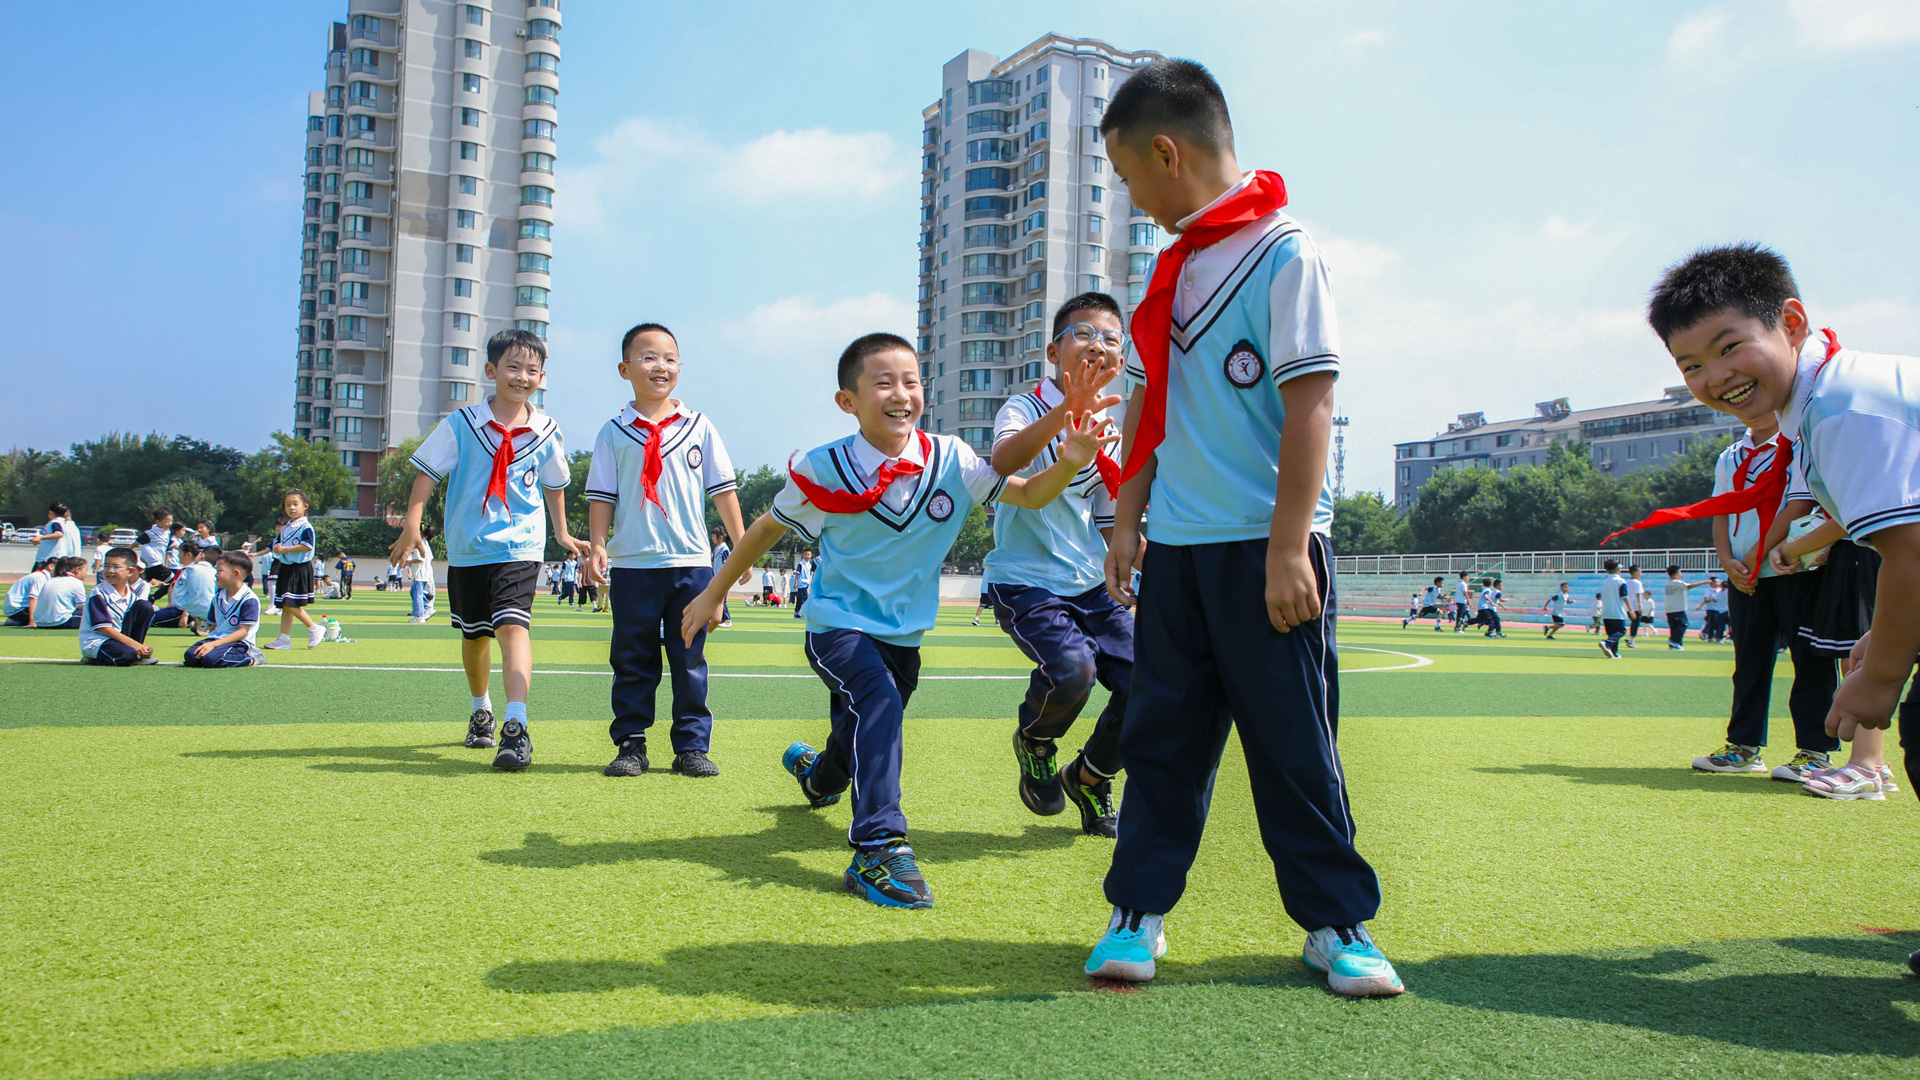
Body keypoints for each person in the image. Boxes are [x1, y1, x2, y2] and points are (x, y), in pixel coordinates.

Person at [1080, 60, 1401, 997]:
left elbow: (1312, 409)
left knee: (1294, 746)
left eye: (1130, 176)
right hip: (1176, 553)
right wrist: (1128, 522)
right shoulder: (1170, 272)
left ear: (1167, 153)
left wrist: (1288, 548)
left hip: (1270, 555)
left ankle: (1337, 925)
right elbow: (1150, 406)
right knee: (1162, 742)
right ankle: (1137, 913)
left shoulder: (1285, 252)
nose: (1133, 198)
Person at [678, 331, 1111, 909]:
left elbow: (1029, 495)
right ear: (848, 400)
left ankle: (818, 775)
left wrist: (1075, 459)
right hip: (837, 624)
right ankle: (879, 847)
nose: (901, 393)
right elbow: (766, 529)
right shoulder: (822, 466)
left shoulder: (951, 459)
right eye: (883, 382)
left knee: (861, 729)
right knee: (877, 702)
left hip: (903, 632)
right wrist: (713, 593)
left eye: (911, 381)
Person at [1647, 245, 1889, 789]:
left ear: (1792, 323)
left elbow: (1904, 546)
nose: (1717, 376)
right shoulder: (1813, 409)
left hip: (1797, 573)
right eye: (1692, 366)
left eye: (1730, 346)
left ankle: (1856, 762)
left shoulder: (1839, 406)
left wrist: (1883, 671)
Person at [388, 328, 582, 770]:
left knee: (513, 628)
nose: (523, 377)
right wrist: (412, 526)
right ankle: (482, 708)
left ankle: (517, 725)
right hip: (469, 548)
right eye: (513, 367)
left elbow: (554, 486)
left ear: (542, 377)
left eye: (532, 370)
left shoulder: (547, 430)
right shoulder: (461, 424)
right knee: (474, 635)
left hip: (521, 546)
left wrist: (563, 534)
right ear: (491, 371)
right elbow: (425, 474)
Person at [983, 291, 1133, 839]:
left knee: (1151, 682)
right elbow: (1003, 463)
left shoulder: (1111, 425)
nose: (1098, 345)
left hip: (1091, 583)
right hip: (1025, 581)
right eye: (1084, 334)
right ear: (1054, 351)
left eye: (1111, 338)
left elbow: (1112, 518)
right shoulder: (1023, 409)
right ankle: (1036, 741)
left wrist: (1138, 563)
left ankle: (1091, 775)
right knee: (1074, 670)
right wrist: (1064, 416)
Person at [584, 321, 747, 779]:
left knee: (689, 657)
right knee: (632, 658)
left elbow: (723, 491)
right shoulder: (613, 432)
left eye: (671, 358)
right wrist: (597, 546)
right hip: (634, 564)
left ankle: (692, 746)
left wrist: (741, 547)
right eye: (650, 357)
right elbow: (602, 496)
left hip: (691, 564)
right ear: (625, 368)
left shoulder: (699, 426)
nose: (662, 366)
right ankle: (631, 744)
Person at [264, 491, 326, 650]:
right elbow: (274, 546)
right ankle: (284, 639)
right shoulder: (286, 528)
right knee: (285, 604)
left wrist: (285, 549)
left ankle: (314, 627)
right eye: (288, 505)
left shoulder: (306, 527)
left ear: (305, 506)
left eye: (295, 504)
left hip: (299, 568)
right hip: (286, 567)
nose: (291, 508)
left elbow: (307, 545)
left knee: (289, 602)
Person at [183, 551, 264, 668]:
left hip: (239, 643)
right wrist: (210, 643)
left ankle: (252, 657)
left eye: (219, 571)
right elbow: (213, 627)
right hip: (218, 639)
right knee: (191, 656)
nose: (216, 575)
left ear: (236, 573)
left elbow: (243, 632)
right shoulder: (217, 598)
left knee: (211, 660)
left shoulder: (249, 599)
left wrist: (214, 645)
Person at [80, 547, 157, 665]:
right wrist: (134, 644)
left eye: (116, 567)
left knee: (145, 606)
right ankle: (93, 658)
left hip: (119, 641)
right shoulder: (98, 593)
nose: (110, 570)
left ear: (131, 571)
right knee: (127, 655)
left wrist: (142, 646)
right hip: (98, 641)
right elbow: (102, 627)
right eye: (106, 566)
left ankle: (137, 653)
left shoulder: (131, 596)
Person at [154, 543, 218, 635]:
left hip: (181, 611)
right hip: (176, 609)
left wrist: (185, 615)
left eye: (180, 553)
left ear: (188, 554)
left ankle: (197, 621)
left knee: (146, 619)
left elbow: (193, 593)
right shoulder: (187, 570)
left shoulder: (193, 571)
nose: (178, 555)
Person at [23, 557, 88, 629]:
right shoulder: (77, 582)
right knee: (95, 613)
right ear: (77, 570)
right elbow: (83, 606)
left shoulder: (51, 580)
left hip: (40, 622)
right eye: (86, 570)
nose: (86, 573)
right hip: (60, 622)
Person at [1662, 566, 1708, 650]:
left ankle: (1675, 644)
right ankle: (1672, 640)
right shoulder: (1676, 582)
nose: (1681, 575)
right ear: (1676, 574)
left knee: (1674, 626)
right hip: (1677, 608)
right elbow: (1689, 586)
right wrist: (1704, 582)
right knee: (1683, 624)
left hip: (1669, 608)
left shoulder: (1668, 583)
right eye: (1680, 573)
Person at [1597, 559, 1630, 658]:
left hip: (1607, 612)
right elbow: (1624, 597)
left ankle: (1614, 653)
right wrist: (1631, 610)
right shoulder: (1621, 581)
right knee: (1621, 631)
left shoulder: (1606, 581)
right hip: (1617, 612)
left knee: (1612, 633)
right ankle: (1607, 643)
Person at [405, 525, 437, 623]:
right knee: (414, 592)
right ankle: (427, 607)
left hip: (420, 573)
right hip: (425, 573)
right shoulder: (426, 543)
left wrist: (407, 562)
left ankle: (419, 616)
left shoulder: (418, 544)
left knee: (417, 594)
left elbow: (420, 559)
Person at [32, 503, 76, 570]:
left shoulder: (55, 522)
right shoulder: (64, 523)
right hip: (56, 557)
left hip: (47, 559)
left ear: (50, 513)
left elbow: (59, 534)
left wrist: (41, 537)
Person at [709, 528, 735, 628]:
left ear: (720, 537)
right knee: (716, 599)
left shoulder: (724, 549)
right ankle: (718, 618)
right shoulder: (717, 549)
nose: (712, 538)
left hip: (723, 578)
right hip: (716, 577)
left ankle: (727, 619)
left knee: (722, 600)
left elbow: (726, 564)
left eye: (714, 536)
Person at [1695, 577, 1729, 642]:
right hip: (1711, 608)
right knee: (1711, 623)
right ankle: (1710, 636)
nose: (1718, 583)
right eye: (1717, 582)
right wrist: (1700, 605)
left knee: (1718, 623)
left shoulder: (1720, 590)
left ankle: (1715, 635)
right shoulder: (1709, 590)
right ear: (1712, 582)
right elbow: (1706, 600)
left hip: (1718, 609)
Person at [791, 548, 817, 617]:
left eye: (808, 554)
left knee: (800, 599)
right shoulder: (801, 564)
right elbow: (797, 574)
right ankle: (803, 613)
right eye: (805, 554)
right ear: (803, 555)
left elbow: (811, 573)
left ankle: (796, 613)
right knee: (804, 599)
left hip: (806, 583)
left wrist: (810, 581)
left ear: (811, 555)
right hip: (801, 583)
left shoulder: (810, 564)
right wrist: (796, 582)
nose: (807, 556)